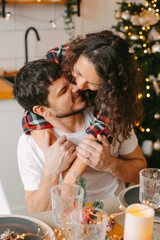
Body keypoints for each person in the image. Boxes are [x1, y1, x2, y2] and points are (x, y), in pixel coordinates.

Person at [13, 59, 146, 214]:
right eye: (63, 91)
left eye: (70, 81)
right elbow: (36, 210)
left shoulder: (109, 116)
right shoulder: (29, 144)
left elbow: (140, 169)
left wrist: (109, 164)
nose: (76, 87)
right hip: (69, 221)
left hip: (115, 210)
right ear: (42, 110)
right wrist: (51, 171)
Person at [22, 30, 146, 181]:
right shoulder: (57, 57)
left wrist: (72, 176)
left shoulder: (116, 100)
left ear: (108, 86)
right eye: (77, 73)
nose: (79, 86)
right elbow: (36, 100)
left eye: (93, 83)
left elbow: (101, 129)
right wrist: (55, 158)